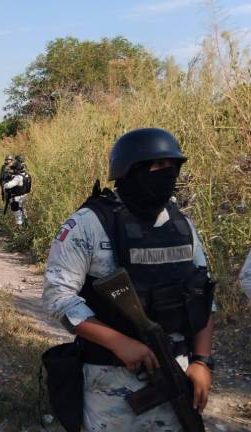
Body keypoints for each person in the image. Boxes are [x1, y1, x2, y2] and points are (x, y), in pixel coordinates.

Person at [42, 128, 215, 431]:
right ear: (130, 171)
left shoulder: (182, 225)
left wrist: (202, 360)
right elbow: (59, 297)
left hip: (177, 372)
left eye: (172, 167)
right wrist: (121, 343)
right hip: (109, 381)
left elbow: (203, 297)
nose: (168, 174)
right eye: (157, 167)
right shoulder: (90, 224)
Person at [2, 161, 30, 226]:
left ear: (17, 169)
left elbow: (8, 185)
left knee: (17, 212)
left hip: (17, 197)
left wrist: (5, 183)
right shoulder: (27, 175)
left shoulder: (18, 177)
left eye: (14, 169)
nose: (13, 170)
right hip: (25, 196)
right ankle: (26, 225)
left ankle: (19, 227)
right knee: (24, 210)